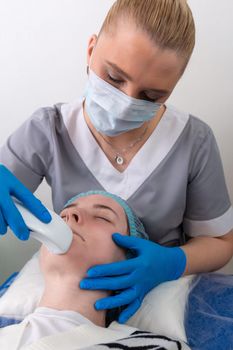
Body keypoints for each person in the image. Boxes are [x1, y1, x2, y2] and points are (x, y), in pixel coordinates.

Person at [0, 0, 232, 324]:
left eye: (151, 97)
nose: (125, 105)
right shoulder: (47, 130)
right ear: (91, 49)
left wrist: (173, 262)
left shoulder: (195, 142)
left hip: (155, 305)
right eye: (113, 77)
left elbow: (221, 242)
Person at [0, 191, 190, 350]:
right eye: (63, 215)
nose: (70, 217)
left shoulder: (156, 346)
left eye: (102, 218)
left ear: (130, 260)